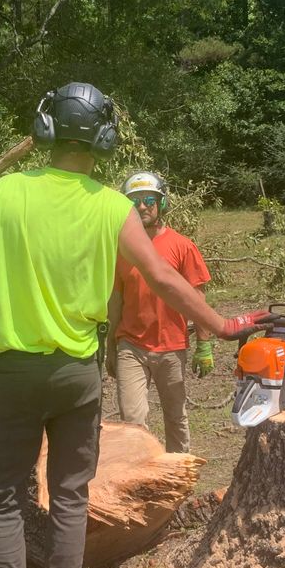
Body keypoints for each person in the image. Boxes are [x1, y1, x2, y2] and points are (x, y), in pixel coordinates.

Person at [0, 82, 267, 568]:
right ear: (104, 139)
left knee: (3, 500)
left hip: (14, 370)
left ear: (45, 129)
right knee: (70, 496)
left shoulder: (4, 193)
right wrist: (219, 326)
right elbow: (166, 280)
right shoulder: (113, 207)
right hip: (77, 372)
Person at [107, 171, 212, 453]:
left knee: (175, 417)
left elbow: (197, 298)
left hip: (171, 345)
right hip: (131, 344)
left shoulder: (182, 246)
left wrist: (204, 344)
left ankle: (180, 473)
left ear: (161, 203)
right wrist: (110, 347)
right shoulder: (121, 247)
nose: (142, 206)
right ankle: (141, 477)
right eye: (134, 201)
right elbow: (115, 299)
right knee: (132, 422)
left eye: (149, 199)